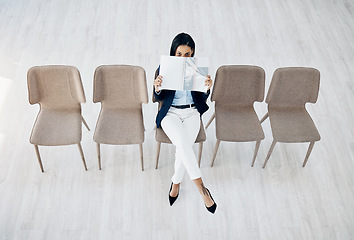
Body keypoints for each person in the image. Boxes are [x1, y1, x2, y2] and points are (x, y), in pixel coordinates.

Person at [153, 32, 217, 214]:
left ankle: (175, 183)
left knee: (183, 149)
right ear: (173, 53)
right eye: (179, 54)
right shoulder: (164, 67)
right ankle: (202, 190)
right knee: (183, 145)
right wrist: (157, 87)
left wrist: (207, 88)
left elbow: (202, 97)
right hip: (170, 113)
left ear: (192, 53)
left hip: (191, 113)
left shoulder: (197, 69)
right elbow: (158, 97)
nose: (183, 58)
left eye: (187, 54)